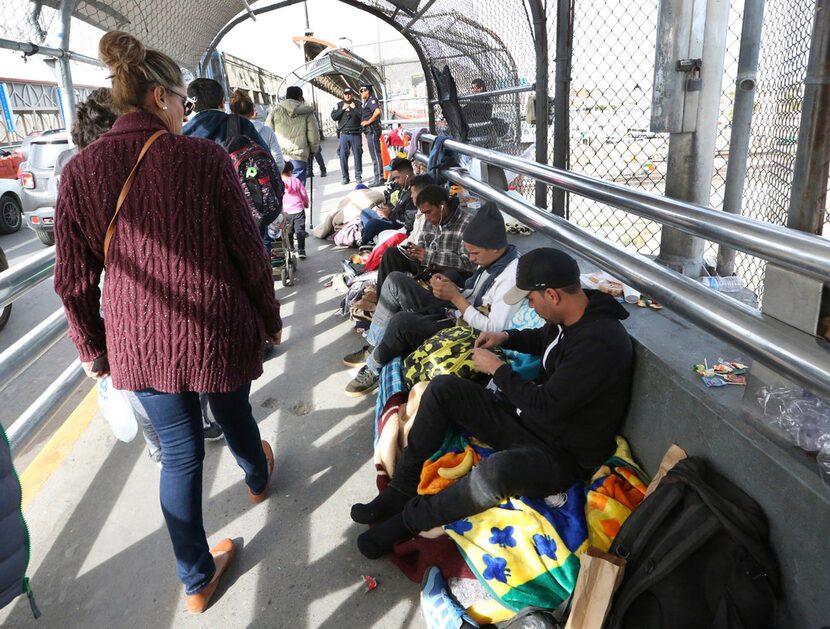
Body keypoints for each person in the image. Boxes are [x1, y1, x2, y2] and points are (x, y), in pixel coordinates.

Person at [53, 31, 281, 614]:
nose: (185, 109)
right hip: (214, 326)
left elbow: (73, 279)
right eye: (181, 99)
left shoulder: (80, 172)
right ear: (159, 97)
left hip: (136, 338)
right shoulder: (203, 159)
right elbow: (248, 252)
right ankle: (258, 476)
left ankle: (196, 580)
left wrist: (93, 349)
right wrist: (269, 317)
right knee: (232, 407)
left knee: (179, 455)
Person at [349, 248, 634, 559]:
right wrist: (505, 337)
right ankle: (401, 490)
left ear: (552, 295)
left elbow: (546, 407)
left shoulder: (599, 343)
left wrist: (497, 368)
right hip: (533, 422)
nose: (529, 304)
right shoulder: (573, 313)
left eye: (532, 299)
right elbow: (544, 340)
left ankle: (408, 521)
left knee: (497, 473)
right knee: (444, 389)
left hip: (563, 454)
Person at [343, 201, 521, 396]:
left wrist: (456, 298)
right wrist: (453, 288)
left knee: (402, 322)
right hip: (458, 311)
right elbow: (473, 293)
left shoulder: (510, 278)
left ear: (494, 248)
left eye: (475, 253)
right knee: (395, 281)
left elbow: (493, 332)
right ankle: (375, 345)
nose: (471, 259)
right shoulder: (493, 259)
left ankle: (374, 367)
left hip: (467, 335)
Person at [375, 184, 476, 295]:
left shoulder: (467, 223)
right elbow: (422, 244)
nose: (427, 218)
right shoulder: (430, 219)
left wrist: (430, 256)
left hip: (452, 272)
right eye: (424, 213)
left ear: (442, 205)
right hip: (427, 267)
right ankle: (383, 298)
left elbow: (468, 264)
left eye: (429, 212)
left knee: (449, 276)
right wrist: (415, 252)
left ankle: (430, 309)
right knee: (392, 253)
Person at [182, 78, 268, 151]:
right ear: (222, 103)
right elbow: (267, 160)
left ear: (192, 106)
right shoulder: (241, 123)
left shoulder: (181, 134)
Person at [266, 85, 320, 186]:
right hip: (298, 157)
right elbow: (313, 134)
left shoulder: (275, 111)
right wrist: (313, 150)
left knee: (284, 190)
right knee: (297, 189)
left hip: (280, 157)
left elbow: (267, 132)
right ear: (300, 97)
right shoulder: (307, 112)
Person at [359, 157, 418, 246]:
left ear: (407, 175)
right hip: (392, 218)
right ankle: (370, 236)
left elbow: (408, 224)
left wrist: (389, 215)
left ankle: (364, 242)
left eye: (397, 178)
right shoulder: (404, 186)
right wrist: (388, 209)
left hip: (398, 226)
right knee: (365, 212)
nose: (395, 181)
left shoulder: (414, 192)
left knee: (372, 224)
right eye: (394, 178)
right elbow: (398, 206)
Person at [228, 88, 285, 173]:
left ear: (231, 112)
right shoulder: (267, 131)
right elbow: (279, 163)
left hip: (236, 184)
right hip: (264, 183)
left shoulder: (226, 134)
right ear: (252, 112)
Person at [331, 87, 363, 185]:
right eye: (346, 94)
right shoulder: (339, 105)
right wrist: (342, 109)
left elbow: (363, 115)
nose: (347, 95)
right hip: (344, 134)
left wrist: (355, 108)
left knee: (357, 155)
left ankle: (358, 176)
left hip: (356, 134)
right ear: (343, 95)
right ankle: (345, 177)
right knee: (342, 156)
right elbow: (333, 117)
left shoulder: (358, 104)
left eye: (349, 93)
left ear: (352, 94)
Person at [281, 161, 309, 259]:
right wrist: (305, 203)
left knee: (289, 229)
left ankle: (291, 247)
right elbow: (303, 193)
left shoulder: (279, 182)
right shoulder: (296, 181)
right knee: (300, 230)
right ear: (290, 171)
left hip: (286, 211)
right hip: (298, 209)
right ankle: (301, 250)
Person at [359, 83, 384, 187]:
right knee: (374, 155)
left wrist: (368, 121)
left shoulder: (371, 100)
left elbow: (377, 111)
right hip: (369, 131)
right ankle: (377, 177)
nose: (360, 93)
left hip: (372, 130)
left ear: (367, 91)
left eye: (362, 91)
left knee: (375, 156)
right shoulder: (367, 101)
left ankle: (379, 178)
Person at [307, 109, 327, 178]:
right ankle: (309, 171)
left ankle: (323, 169)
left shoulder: (311, 113)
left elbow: (316, 126)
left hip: (313, 136)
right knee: (308, 155)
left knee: (317, 153)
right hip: (305, 137)